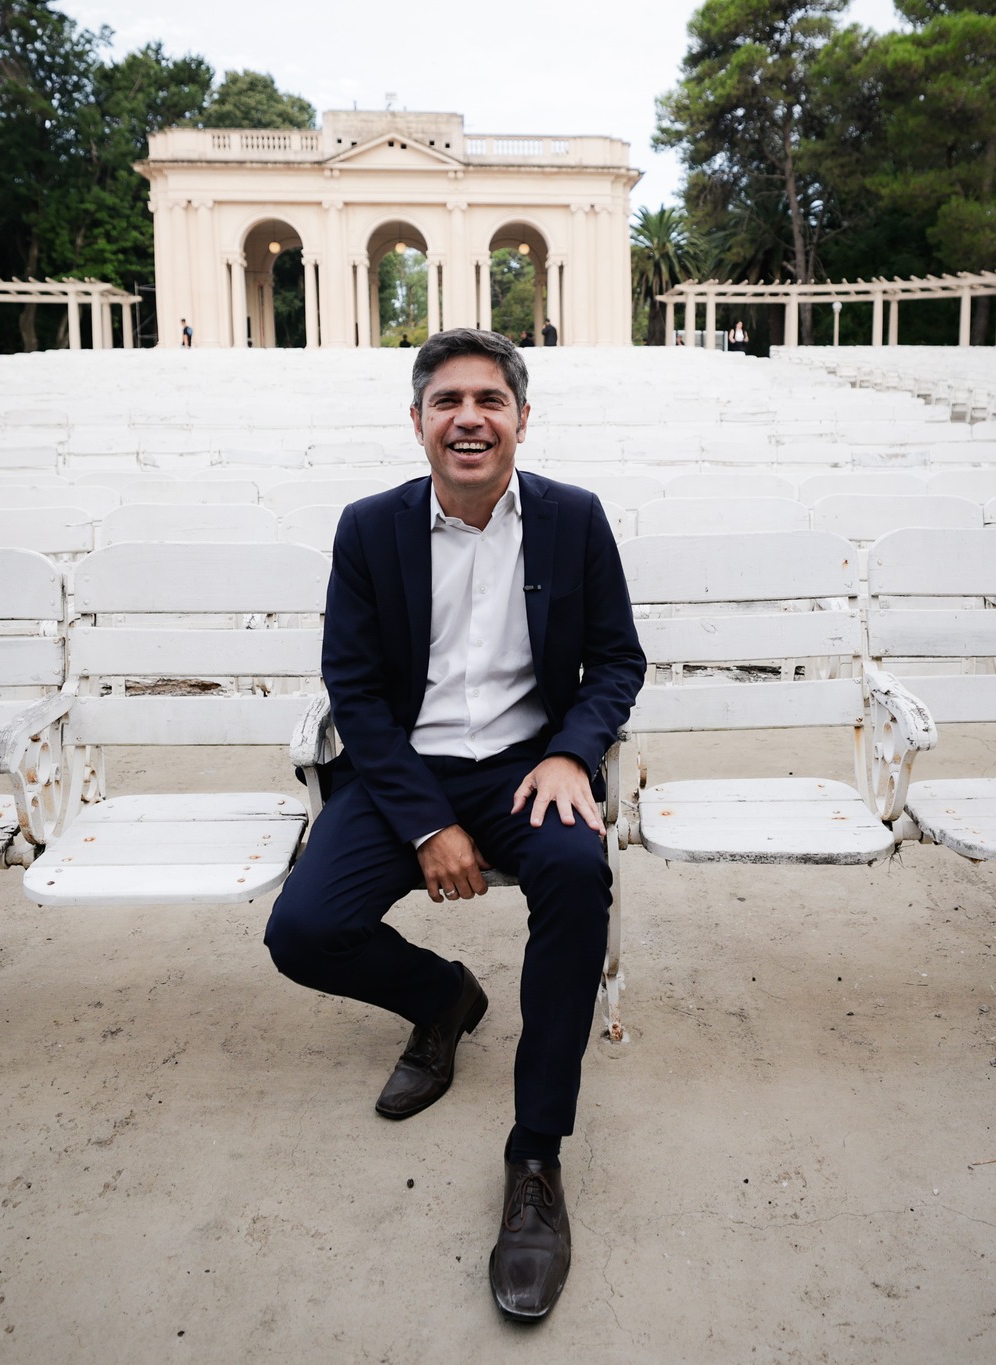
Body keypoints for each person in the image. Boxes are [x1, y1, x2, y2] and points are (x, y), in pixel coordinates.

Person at [264, 327, 644, 1321]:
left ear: (521, 417)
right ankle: (442, 999)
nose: (468, 419)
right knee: (302, 929)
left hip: (527, 765)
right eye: (447, 401)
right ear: (417, 421)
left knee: (576, 874)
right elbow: (353, 687)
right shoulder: (368, 527)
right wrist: (428, 822)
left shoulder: (572, 517)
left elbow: (616, 660)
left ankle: (535, 1159)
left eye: (489, 400)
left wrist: (572, 753)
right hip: (403, 769)